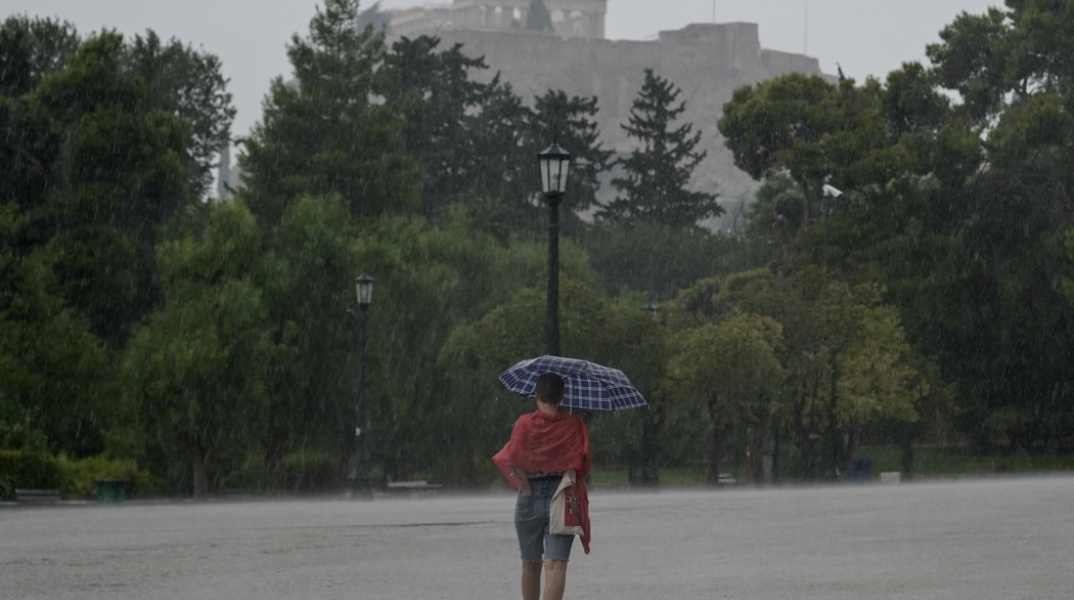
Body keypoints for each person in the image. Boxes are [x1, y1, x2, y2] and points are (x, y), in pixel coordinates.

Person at [492, 373, 591, 600]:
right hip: (563, 496)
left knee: (530, 563)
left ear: (536, 394)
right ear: (562, 396)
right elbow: (582, 465)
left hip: (530, 495)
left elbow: (513, 460)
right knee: (556, 564)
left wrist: (526, 488)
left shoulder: (524, 424)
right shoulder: (574, 425)